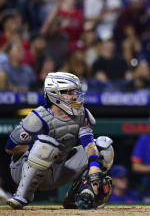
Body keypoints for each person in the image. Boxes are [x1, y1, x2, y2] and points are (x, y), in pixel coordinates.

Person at [4, 72, 114, 209]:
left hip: (59, 168)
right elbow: (9, 148)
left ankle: (75, 198)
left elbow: (88, 141)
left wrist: (93, 165)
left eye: (74, 91)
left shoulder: (81, 113)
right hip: (24, 171)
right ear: (55, 94)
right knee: (46, 145)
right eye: (68, 92)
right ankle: (22, 196)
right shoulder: (37, 117)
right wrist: (35, 148)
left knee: (104, 148)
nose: (74, 96)